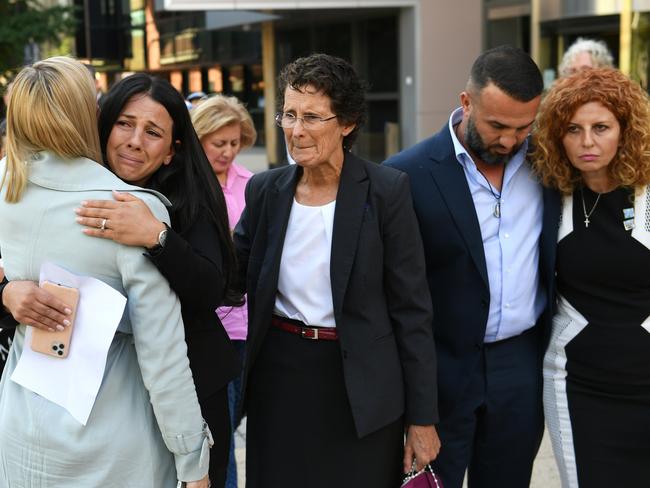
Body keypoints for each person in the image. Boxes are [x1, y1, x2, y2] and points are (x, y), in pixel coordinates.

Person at [1, 73, 240, 487]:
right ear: (102, 123)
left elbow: (209, 291)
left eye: (152, 132)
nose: (134, 141)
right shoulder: (34, 186)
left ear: (171, 151)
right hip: (62, 401)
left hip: (188, 387)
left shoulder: (184, 199)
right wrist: (7, 292)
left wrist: (157, 238)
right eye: (125, 124)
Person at [234, 53, 439, 488]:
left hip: (361, 386)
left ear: (346, 123)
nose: (296, 130)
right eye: (288, 115)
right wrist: (161, 240)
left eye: (311, 117)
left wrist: (422, 419)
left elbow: (412, 310)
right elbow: (227, 278)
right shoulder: (266, 191)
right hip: (281, 376)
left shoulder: (386, 192)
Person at [385, 45, 561, 488]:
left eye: (524, 127)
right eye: (497, 125)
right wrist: (415, 407)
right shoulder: (406, 175)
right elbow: (394, 296)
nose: (508, 140)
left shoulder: (551, 166)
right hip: (439, 374)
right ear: (466, 102)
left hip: (520, 366)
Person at [532, 68, 650, 488]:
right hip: (577, 385)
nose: (587, 142)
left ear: (625, 130)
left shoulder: (647, 194)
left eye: (601, 127)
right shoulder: (550, 196)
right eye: (573, 129)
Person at [190, 94, 256, 488]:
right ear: (199, 139)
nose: (228, 151)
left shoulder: (252, 184)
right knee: (220, 432)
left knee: (232, 424)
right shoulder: (189, 186)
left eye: (235, 143)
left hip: (248, 326)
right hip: (208, 327)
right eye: (220, 143)